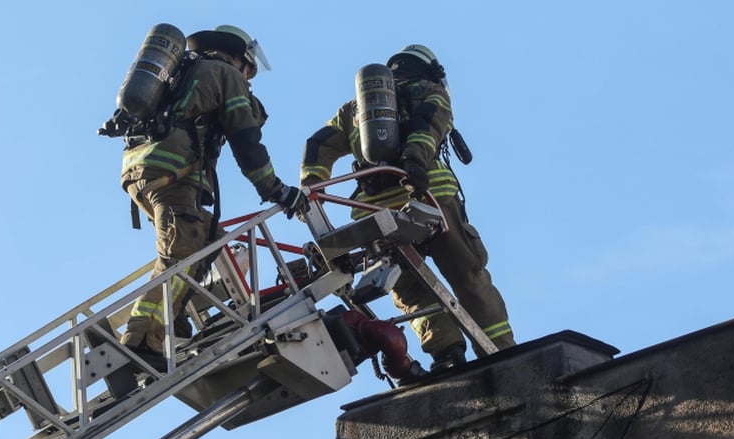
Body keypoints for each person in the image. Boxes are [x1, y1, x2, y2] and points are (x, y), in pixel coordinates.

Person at [299, 44, 515, 371]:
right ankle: (501, 351)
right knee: (468, 277)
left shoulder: (354, 109)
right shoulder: (430, 92)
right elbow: (428, 126)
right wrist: (414, 163)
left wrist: (310, 188)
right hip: (430, 197)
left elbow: (318, 145)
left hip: (372, 211)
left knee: (411, 289)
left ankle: (447, 353)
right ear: (431, 71)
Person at [117, 25, 307, 368]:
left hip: (142, 170)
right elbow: (246, 142)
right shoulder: (224, 73)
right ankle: (139, 344)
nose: (249, 78)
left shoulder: (183, 72)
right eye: (249, 69)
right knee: (181, 256)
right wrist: (276, 191)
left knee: (207, 236)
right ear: (238, 57)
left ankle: (171, 315)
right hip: (173, 172)